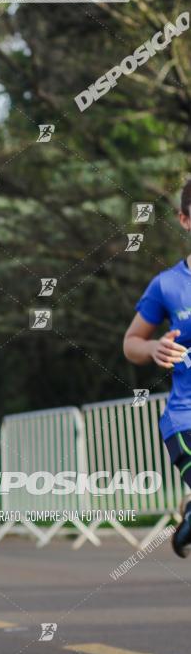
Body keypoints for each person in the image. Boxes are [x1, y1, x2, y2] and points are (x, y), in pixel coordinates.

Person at [124, 179, 191, 557]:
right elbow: (130, 343)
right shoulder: (167, 286)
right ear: (184, 220)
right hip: (186, 419)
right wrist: (153, 347)